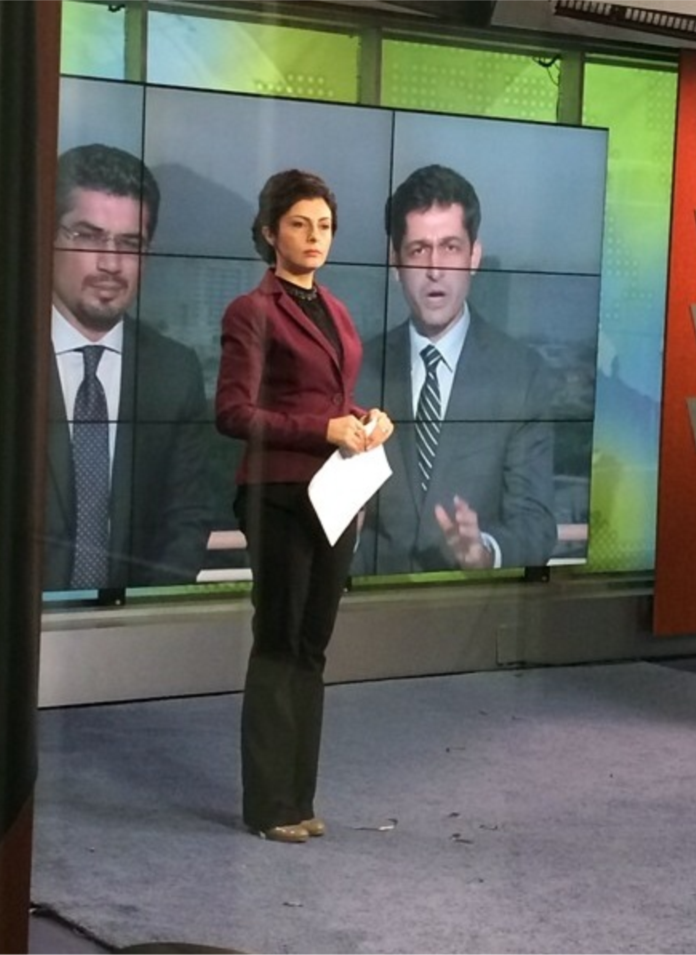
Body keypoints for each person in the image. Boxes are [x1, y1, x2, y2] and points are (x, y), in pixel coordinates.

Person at [215, 169, 393, 843]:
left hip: (337, 492)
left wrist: (367, 418)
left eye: (323, 225)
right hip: (278, 495)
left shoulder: (337, 310)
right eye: (299, 224)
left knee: (312, 648)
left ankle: (298, 798)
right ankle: (268, 805)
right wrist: (322, 429)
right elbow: (233, 412)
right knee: (279, 641)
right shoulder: (250, 311)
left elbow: (330, 398)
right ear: (268, 233)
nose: (314, 236)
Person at [354, 164, 557, 575]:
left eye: (450, 247)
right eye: (417, 250)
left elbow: (536, 525)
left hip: (473, 616)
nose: (434, 268)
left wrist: (483, 551)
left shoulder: (522, 375)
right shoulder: (358, 369)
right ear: (395, 265)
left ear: (474, 257)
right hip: (368, 617)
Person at [46, 143, 212, 591]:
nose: (111, 263)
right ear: (51, 236)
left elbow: (187, 523)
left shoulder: (175, 373)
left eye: (129, 244)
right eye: (88, 235)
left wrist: (138, 618)